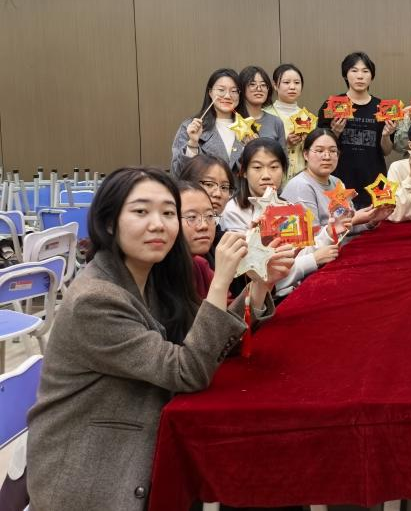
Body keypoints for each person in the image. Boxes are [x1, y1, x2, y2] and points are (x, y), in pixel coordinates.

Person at [25, 167, 293, 510]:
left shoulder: (154, 277)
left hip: (142, 434)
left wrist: (259, 286)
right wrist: (221, 281)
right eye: (141, 211)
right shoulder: (95, 300)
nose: (158, 224)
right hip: (92, 474)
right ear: (109, 223)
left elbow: (207, 342)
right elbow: (188, 371)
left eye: (168, 213)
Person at [318, 51, 396, 209]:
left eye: (365, 71)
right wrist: (335, 132)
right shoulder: (332, 105)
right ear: (345, 75)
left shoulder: (382, 108)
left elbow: (387, 151)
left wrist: (386, 135)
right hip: (339, 182)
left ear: (372, 76)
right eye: (354, 71)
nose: (360, 76)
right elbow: (320, 147)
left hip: (373, 183)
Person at [281, 128, 393, 233]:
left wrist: (372, 219)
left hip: (338, 246)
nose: (327, 157)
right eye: (319, 151)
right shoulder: (300, 186)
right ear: (306, 154)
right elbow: (311, 235)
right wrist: (353, 220)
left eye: (332, 151)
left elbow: (348, 229)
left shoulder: (336, 182)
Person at [171, 68, 246, 177]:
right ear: (210, 92)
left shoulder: (248, 128)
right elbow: (178, 173)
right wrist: (193, 143)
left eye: (234, 91)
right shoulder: (191, 127)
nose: (227, 96)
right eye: (221, 90)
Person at [221, 138, 288, 232]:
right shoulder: (233, 211)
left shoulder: (288, 207)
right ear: (244, 172)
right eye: (257, 167)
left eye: (273, 167)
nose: (266, 176)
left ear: (283, 171)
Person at [263, 63, 309, 176]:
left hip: (302, 177)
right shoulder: (264, 114)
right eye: (286, 82)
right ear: (275, 85)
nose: (292, 87)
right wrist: (286, 144)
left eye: (297, 83)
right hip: (273, 176)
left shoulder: (307, 117)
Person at [238, 65, 286, 148]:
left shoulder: (276, 122)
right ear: (242, 88)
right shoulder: (234, 122)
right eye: (252, 84)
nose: (259, 89)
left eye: (263, 85)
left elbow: (282, 155)